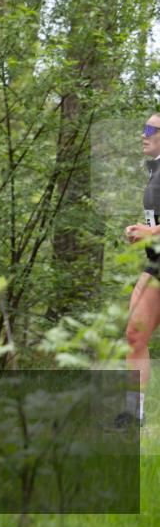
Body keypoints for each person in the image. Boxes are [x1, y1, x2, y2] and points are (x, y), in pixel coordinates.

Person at [111, 113, 160, 429]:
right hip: (155, 265)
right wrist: (142, 231)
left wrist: (151, 233)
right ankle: (134, 413)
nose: (142, 135)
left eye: (149, 129)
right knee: (134, 335)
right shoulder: (155, 170)